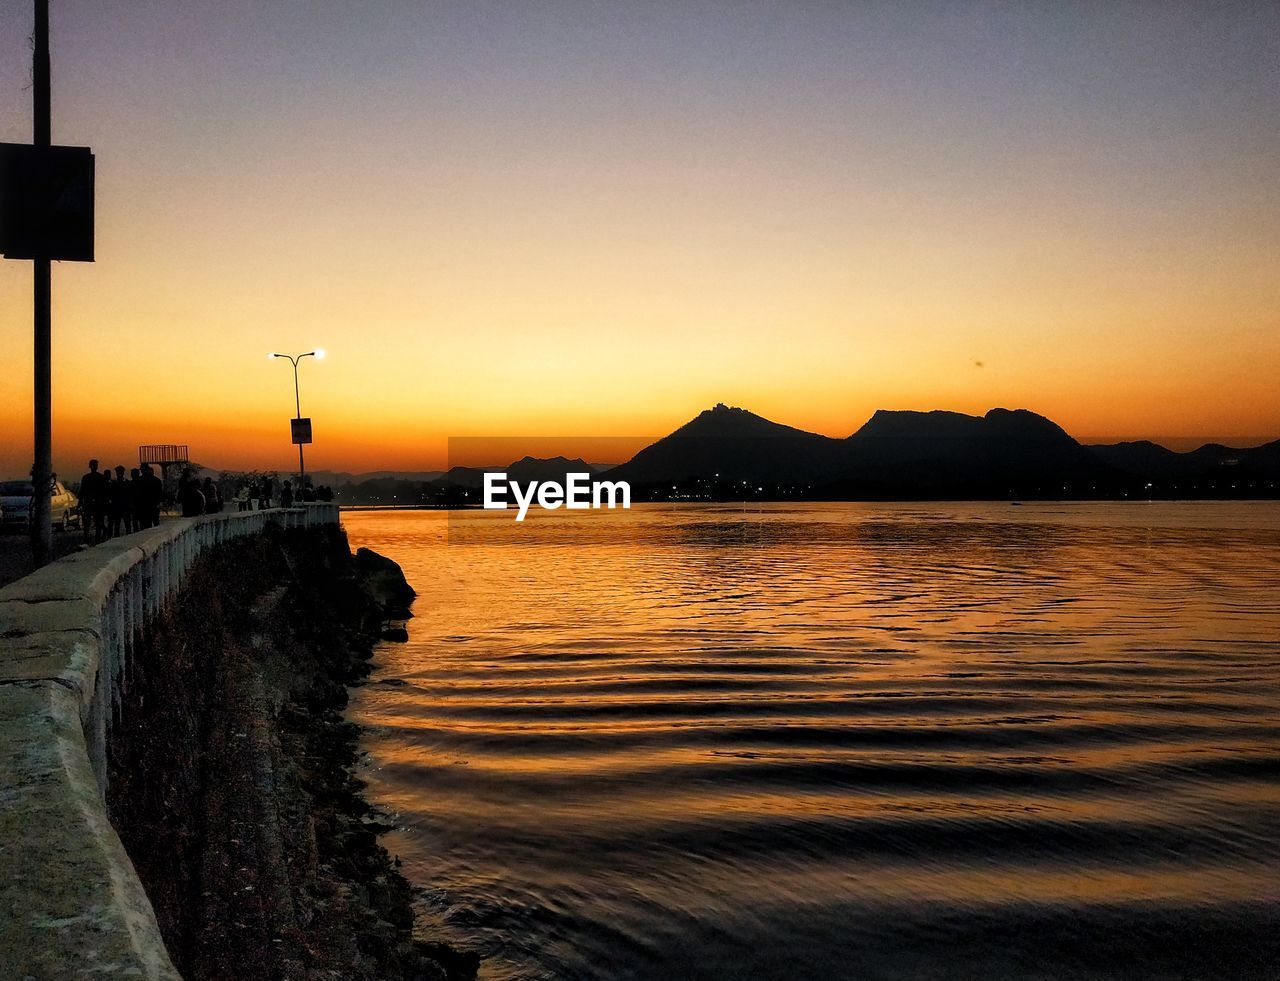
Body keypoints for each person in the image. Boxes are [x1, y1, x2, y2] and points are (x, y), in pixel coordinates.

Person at [79, 459, 104, 544]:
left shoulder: (87, 477)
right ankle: (93, 539)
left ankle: (91, 539)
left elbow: (82, 491)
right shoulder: (100, 477)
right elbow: (82, 491)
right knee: (92, 523)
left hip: (94, 503)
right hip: (92, 503)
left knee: (93, 523)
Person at [111, 464, 134, 536]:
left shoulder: (125, 483)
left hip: (124, 507)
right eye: (118, 472)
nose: (119, 474)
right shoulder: (115, 484)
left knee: (126, 525)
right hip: (118, 508)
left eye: (120, 472)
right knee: (118, 525)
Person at [98, 468, 114, 542]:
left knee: (109, 522)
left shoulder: (112, 483)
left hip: (109, 506)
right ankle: (105, 534)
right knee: (102, 522)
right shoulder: (102, 485)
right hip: (103, 505)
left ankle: (108, 535)